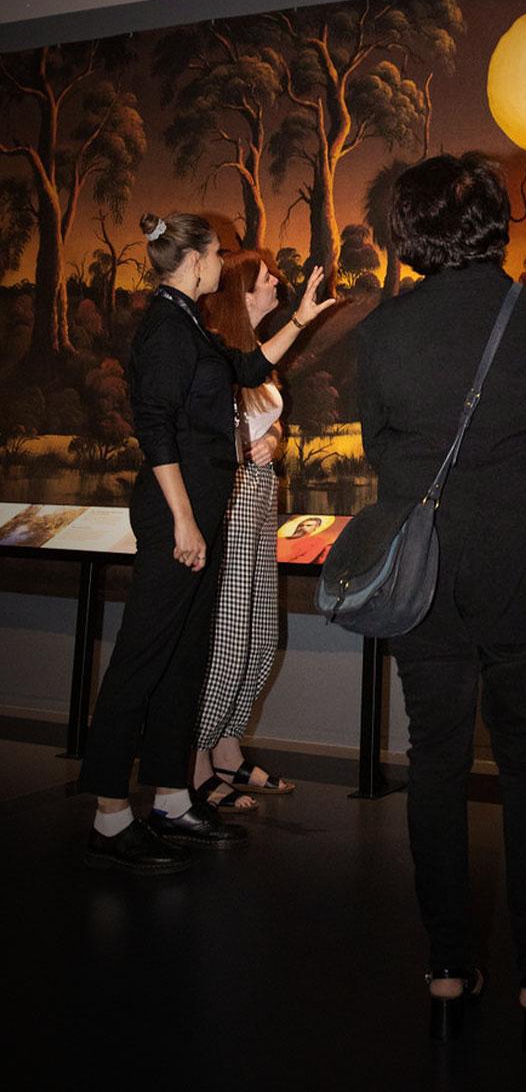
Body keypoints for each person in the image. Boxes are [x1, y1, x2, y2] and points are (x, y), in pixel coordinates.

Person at [355, 152, 526, 1051]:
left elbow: (383, 454)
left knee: (437, 761)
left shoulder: (383, 332)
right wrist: (524, 503)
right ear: (497, 221)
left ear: (409, 234)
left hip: (426, 573)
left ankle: (448, 965)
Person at [79, 212, 333, 872]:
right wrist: (185, 521)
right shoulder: (165, 329)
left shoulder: (189, 321)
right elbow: (155, 429)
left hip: (201, 509)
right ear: (193, 261)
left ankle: (170, 798)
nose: (224, 263)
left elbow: (248, 364)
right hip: (177, 515)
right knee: (142, 658)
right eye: (217, 253)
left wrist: (301, 317)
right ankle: (109, 814)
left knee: (185, 661)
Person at [191, 249, 293, 812]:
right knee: (226, 640)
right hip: (228, 504)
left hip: (256, 498)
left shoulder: (255, 356)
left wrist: (273, 443)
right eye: (264, 278)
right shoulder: (217, 355)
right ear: (242, 295)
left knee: (257, 637)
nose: (275, 282)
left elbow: (269, 426)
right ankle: (195, 760)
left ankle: (227, 752)